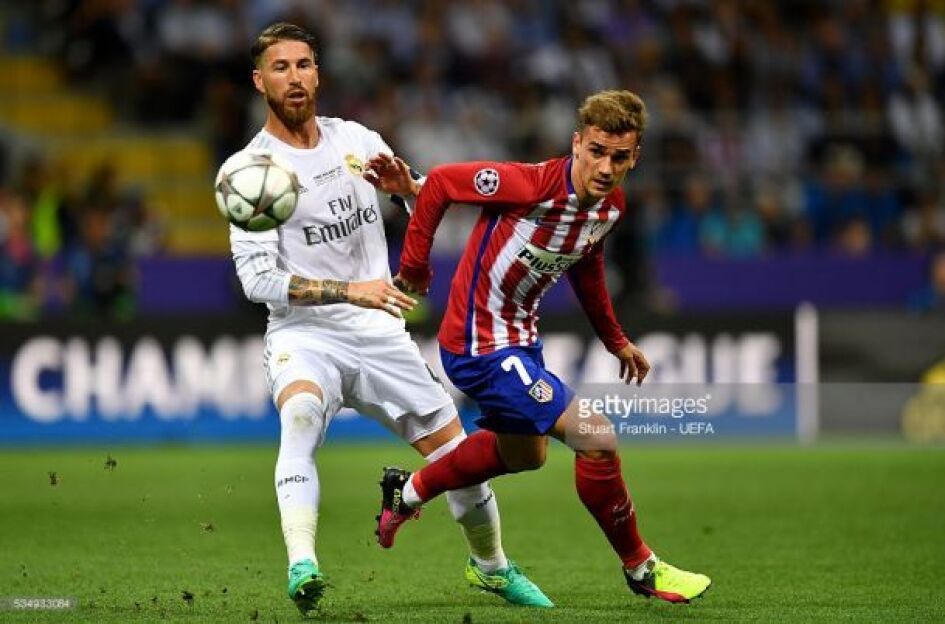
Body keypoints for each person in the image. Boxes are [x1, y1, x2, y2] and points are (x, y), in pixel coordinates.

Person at [230, 23, 551, 614]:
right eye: (280, 67)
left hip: (380, 334)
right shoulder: (249, 173)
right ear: (259, 81)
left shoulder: (355, 139)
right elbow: (257, 281)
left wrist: (410, 190)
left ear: (318, 73)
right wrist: (349, 291)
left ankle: (492, 568)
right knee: (299, 417)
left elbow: (430, 206)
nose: (294, 77)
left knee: (457, 458)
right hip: (305, 334)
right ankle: (303, 564)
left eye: (304, 64)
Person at [377, 90, 711, 604]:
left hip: (520, 342)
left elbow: (587, 265)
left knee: (525, 454)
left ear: (635, 157)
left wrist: (616, 340)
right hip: (477, 343)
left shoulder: (610, 207)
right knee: (596, 436)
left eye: (619, 157)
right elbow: (440, 183)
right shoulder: (529, 185)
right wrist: (415, 268)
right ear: (577, 143)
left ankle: (406, 493)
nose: (605, 167)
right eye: (596, 151)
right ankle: (641, 567)